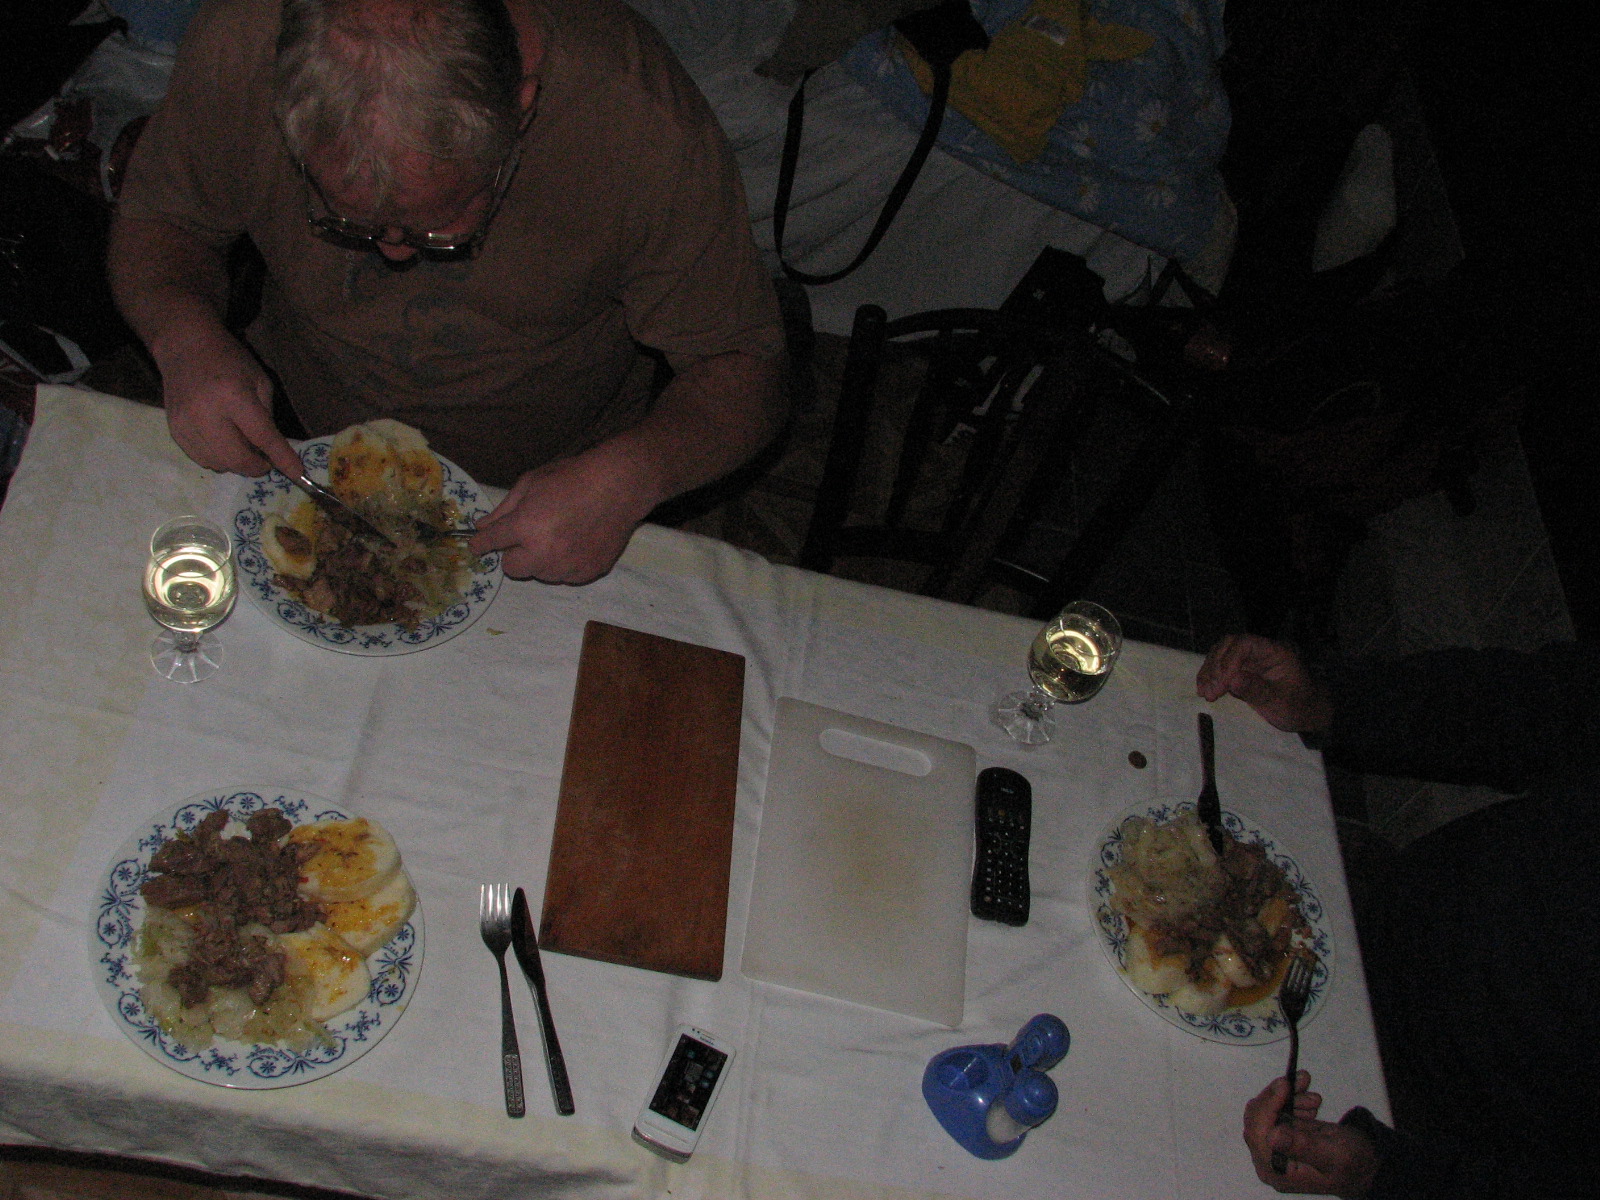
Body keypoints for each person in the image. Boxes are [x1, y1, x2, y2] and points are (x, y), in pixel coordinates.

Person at [108, 0, 787, 584]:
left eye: (436, 225)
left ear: (521, 108)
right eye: (348, 221)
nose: (395, 253)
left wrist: (634, 473)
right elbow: (163, 218)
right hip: (295, 431)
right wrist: (183, 334)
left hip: (548, 487)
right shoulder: (242, 41)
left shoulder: (638, 118)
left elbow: (746, 366)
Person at [1197, 634, 1597, 1198]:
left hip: (1437, 1126)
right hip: (1386, 915)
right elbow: (1535, 706)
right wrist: (1332, 701)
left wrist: (1389, 1174)